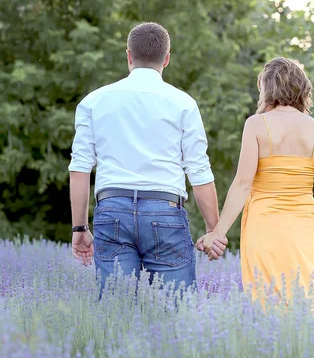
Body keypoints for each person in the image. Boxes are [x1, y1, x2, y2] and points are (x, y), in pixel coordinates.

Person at [69, 22, 226, 295]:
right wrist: (214, 229)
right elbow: (199, 172)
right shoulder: (184, 104)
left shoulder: (93, 102)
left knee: (115, 314)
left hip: (112, 210)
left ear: (129, 55)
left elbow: (80, 169)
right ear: (166, 59)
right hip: (165, 210)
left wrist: (79, 227)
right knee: (175, 314)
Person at [199, 57, 314, 307]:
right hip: (308, 229)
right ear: (302, 89)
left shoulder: (256, 125)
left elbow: (242, 185)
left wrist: (218, 233)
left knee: (270, 303)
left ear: (267, 89)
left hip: (265, 227)